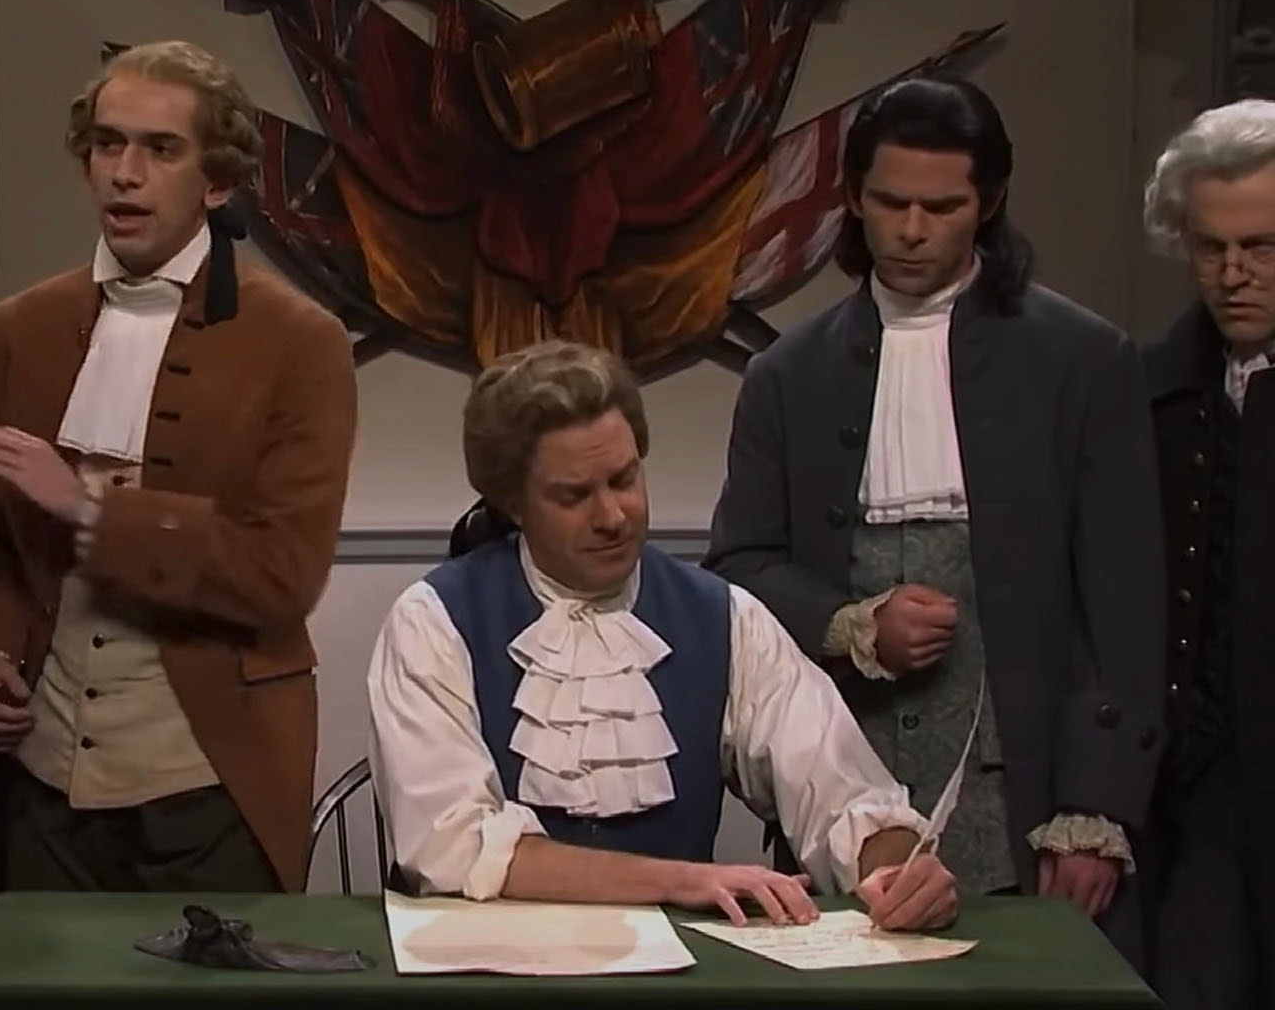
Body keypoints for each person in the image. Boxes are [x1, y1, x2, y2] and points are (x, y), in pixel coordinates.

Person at [704, 77, 1164, 960]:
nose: (912, 230)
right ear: (853, 198)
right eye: (891, 202)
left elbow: (1124, 606)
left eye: (942, 207)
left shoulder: (1084, 359)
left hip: (1025, 788)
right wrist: (850, 623)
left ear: (988, 202)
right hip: (846, 774)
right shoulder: (786, 375)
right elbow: (739, 568)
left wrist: (1093, 808)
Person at [0, 40, 357, 896]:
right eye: (108, 144)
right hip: (42, 786)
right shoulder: (17, 330)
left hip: (211, 782)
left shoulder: (300, 341)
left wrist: (92, 511)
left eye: (160, 149)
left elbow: (282, 574)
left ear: (218, 182)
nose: (124, 174)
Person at [368, 340, 957, 929]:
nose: (612, 516)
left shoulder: (725, 617)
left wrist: (896, 869)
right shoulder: (433, 621)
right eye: (574, 496)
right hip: (483, 966)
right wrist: (680, 880)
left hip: (678, 969)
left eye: (624, 479)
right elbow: (452, 846)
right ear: (513, 504)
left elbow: (842, 794)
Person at [1137, 99, 1275, 1010]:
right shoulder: (1151, 392)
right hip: (1199, 793)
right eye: (1210, 248)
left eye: (1262, 247)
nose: (1233, 274)